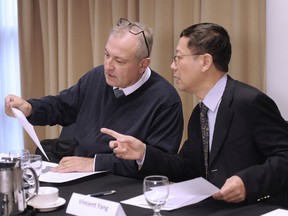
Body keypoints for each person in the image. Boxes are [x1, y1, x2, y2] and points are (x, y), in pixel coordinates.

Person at [101, 22, 288, 206]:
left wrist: (247, 182)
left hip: (257, 207)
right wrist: (143, 153)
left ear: (205, 62)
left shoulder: (249, 102)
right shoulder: (200, 112)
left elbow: (284, 155)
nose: (172, 66)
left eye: (178, 58)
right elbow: (187, 167)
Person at [4, 18, 183, 178]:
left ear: (143, 64)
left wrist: (95, 163)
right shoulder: (97, 77)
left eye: (119, 61)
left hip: (121, 182)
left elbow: (160, 163)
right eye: (107, 55)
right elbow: (62, 106)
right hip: (76, 170)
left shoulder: (166, 100)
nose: (108, 66)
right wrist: (30, 108)